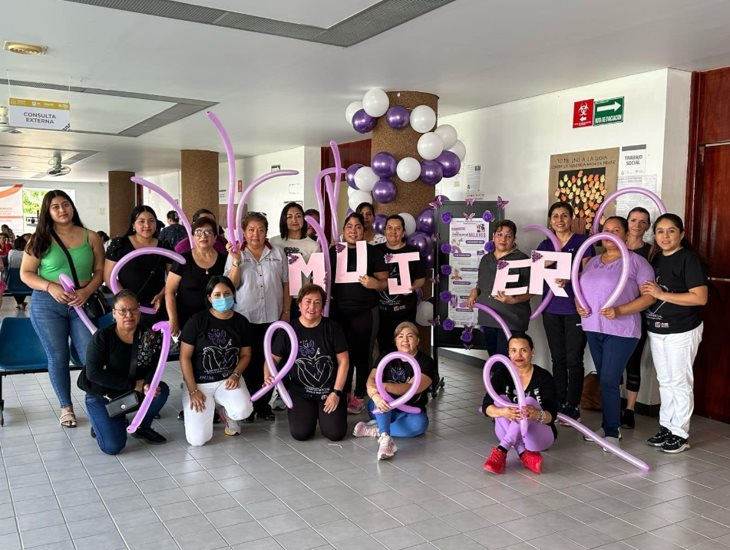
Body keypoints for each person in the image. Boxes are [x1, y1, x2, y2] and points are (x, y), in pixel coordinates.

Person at [20, 190, 105, 428]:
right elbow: (25, 274)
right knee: (58, 356)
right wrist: (50, 287)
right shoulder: (39, 239)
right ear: (47, 212)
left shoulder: (91, 237)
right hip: (48, 304)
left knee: (91, 354)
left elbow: (99, 272)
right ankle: (66, 407)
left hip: (82, 303)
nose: (62, 210)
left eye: (65, 204)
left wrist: (86, 291)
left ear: (72, 207)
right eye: (55, 206)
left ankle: (95, 401)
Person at [575, 216, 656, 447]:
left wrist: (620, 310)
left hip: (622, 330)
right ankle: (608, 426)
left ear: (624, 234)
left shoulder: (637, 262)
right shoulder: (592, 262)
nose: (610, 234)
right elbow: (580, 289)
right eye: (606, 230)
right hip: (593, 327)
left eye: (616, 230)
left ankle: (612, 430)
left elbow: (649, 297)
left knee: (609, 379)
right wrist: (578, 304)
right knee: (605, 380)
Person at [641, 213, 708, 453]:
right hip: (657, 329)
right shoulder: (656, 258)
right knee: (665, 381)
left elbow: (700, 298)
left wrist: (661, 295)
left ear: (681, 234)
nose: (665, 236)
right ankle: (667, 427)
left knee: (679, 382)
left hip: (682, 330)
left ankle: (680, 433)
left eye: (671, 231)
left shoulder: (688, 259)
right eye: (660, 231)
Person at [79, 290, 169, 453]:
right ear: (114, 313)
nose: (129, 315)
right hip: (102, 396)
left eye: (134, 309)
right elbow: (93, 374)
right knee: (113, 447)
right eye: (122, 311)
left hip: (131, 392)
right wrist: (134, 385)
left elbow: (154, 365)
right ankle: (103, 422)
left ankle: (141, 426)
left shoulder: (150, 335)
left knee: (160, 390)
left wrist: (148, 384)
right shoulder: (102, 337)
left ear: (139, 310)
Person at [226, 212, 290, 422]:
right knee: (249, 362)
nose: (256, 234)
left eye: (261, 230)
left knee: (270, 362)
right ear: (244, 232)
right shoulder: (237, 254)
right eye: (251, 230)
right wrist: (236, 261)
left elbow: (285, 284)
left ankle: (264, 405)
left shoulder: (278, 253)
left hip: (273, 316)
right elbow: (231, 285)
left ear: (266, 232)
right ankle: (249, 404)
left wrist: (286, 311)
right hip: (246, 317)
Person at [266, 284, 349, 441]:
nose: (312, 307)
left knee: (335, 433)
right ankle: (311, 414)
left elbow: (344, 361)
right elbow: (272, 358)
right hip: (301, 393)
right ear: (299, 305)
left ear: (323, 307)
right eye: (308, 301)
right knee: (300, 433)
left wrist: (336, 392)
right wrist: (267, 375)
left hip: (328, 391)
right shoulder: (288, 329)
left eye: (317, 302)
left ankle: (326, 412)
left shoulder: (332, 328)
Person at [536, 201, 594, 422]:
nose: (559, 220)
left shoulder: (582, 242)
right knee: (557, 357)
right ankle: (559, 402)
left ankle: (573, 404)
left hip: (574, 308)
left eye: (564, 216)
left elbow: (589, 273)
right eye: (555, 216)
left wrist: (570, 276)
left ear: (571, 219)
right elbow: (536, 275)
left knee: (574, 358)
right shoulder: (543, 245)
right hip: (550, 308)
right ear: (550, 221)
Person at [179, 277, 254, 445]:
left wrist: (235, 375)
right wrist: (192, 391)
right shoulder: (196, 321)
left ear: (234, 295)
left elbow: (246, 355)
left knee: (243, 410)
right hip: (199, 384)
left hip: (227, 380)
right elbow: (184, 357)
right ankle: (206, 407)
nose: (222, 298)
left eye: (227, 294)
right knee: (197, 441)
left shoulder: (241, 322)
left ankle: (227, 415)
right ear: (209, 298)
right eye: (217, 294)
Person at [329, 212, 388, 414]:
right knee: (341, 354)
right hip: (339, 312)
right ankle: (343, 392)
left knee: (363, 355)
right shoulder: (333, 252)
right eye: (349, 226)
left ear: (364, 231)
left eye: (358, 227)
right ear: (343, 230)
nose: (353, 230)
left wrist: (374, 284)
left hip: (366, 311)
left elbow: (384, 283)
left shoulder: (373, 253)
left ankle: (362, 394)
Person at [353, 321, 434, 460]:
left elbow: (411, 389)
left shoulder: (426, 361)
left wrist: (384, 387)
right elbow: (371, 380)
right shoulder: (386, 355)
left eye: (410, 336)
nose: (405, 340)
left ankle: (376, 429)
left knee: (420, 425)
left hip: (410, 410)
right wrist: (376, 396)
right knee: (379, 403)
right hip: (382, 405)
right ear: (395, 341)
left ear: (417, 340)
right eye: (401, 336)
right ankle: (385, 438)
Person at [482, 334, 558, 474]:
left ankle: (502, 449)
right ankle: (523, 453)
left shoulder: (544, 377)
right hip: (507, 430)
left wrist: (535, 414)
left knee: (527, 402)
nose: (518, 355)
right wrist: (503, 412)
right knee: (501, 398)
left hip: (537, 437)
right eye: (514, 350)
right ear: (508, 353)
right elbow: (486, 406)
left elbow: (552, 416)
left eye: (523, 350)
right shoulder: (501, 374)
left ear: (532, 351)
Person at [466, 220, 531, 357]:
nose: (503, 239)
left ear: (514, 239)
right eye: (500, 235)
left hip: (512, 320)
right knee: (494, 360)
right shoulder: (485, 259)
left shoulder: (522, 259)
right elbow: (481, 284)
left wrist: (514, 300)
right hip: (488, 318)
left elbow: (533, 291)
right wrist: (474, 292)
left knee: (507, 363)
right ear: (493, 236)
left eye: (508, 236)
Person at [165, 217, 229, 337]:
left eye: (208, 232)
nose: (203, 236)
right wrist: (173, 319)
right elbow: (170, 291)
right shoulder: (183, 260)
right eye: (198, 232)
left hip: (217, 319)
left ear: (215, 237)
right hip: (187, 319)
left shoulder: (224, 260)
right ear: (193, 237)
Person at [104, 206, 172, 316]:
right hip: (127, 308)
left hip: (157, 305)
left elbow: (173, 277)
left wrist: (162, 294)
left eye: (151, 221)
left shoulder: (165, 246)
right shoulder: (120, 245)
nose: (147, 225)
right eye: (141, 221)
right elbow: (108, 277)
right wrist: (126, 299)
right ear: (133, 225)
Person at [376, 214, 426, 354]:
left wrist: (412, 287)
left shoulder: (412, 252)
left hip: (405, 310)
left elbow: (421, 279)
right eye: (390, 228)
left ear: (403, 232)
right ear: (384, 231)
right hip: (382, 312)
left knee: (406, 348)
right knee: (384, 349)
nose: (393, 232)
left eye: (397, 229)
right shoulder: (376, 251)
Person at [622, 206, 652, 429]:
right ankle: (613, 404)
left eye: (643, 222)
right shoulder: (613, 246)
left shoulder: (651, 253)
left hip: (637, 314)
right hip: (610, 315)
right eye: (633, 220)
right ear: (627, 222)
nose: (637, 225)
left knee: (633, 362)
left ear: (648, 226)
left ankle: (629, 410)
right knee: (613, 365)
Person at [270, 202, 321, 319]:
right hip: (278, 296)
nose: (294, 220)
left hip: (302, 298)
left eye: (298, 216)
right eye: (289, 216)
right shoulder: (274, 242)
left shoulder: (313, 245)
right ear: (284, 219)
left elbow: (316, 275)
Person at [7, 236, 27, 309]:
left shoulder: (11, 252)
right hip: (24, 276)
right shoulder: (26, 253)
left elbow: (9, 263)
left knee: (16, 289)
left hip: (12, 277)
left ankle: (20, 303)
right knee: (23, 287)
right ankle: (21, 303)